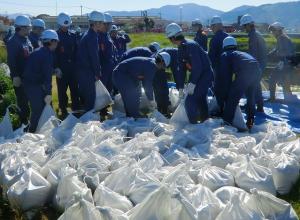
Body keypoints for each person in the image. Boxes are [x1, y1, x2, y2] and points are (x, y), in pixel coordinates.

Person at [166, 23, 214, 124]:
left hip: (205, 75)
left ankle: (193, 124)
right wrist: (180, 86)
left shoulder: (190, 45)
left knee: (190, 100)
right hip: (198, 75)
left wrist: (192, 83)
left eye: (170, 38)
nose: (170, 41)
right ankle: (205, 121)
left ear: (173, 38)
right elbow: (181, 69)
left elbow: (198, 67)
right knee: (200, 98)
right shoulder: (181, 48)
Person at [215, 37, 261, 130]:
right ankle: (250, 122)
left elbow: (226, 76)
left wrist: (224, 93)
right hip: (257, 70)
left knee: (232, 98)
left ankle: (227, 123)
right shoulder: (240, 54)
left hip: (246, 72)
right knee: (250, 96)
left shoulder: (226, 54)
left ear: (224, 46)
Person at [112, 52, 171, 118]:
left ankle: (131, 116)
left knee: (137, 93)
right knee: (131, 95)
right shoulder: (152, 67)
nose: (163, 68)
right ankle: (134, 116)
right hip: (121, 74)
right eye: (164, 66)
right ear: (162, 63)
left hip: (128, 75)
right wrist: (151, 100)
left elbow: (143, 80)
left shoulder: (152, 63)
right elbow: (147, 85)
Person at [23, 30, 58, 133]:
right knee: (37, 109)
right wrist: (48, 93)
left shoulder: (41, 51)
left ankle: (44, 128)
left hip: (35, 82)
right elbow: (47, 76)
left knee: (45, 107)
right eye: (56, 41)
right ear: (51, 41)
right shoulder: (46, 54)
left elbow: (43, 70)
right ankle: (32, 131)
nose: (57, 44)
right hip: (32, 84)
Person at [7, 15, 33, 125]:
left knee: (29, 99)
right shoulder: (13, 41)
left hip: (28, 76)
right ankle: (24, 123)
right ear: (22, 28)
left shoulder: (25, 39)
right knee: (23, 102)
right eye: (28, 28)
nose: (30, 30)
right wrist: (15, 75)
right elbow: (11, 60)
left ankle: (28, 120)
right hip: (20, 76)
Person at [76, 11, 104, 112]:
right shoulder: (92, 36)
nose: (102, 24)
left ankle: (88, 118)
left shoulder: (88, 34)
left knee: (88, 97)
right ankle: (88, 123)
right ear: (96, 23)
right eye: (101, 22)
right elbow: (94, 56)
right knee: (90, 98)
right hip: (87, 71)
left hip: (83, 70)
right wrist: (97, 72)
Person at [54, 12, 80, 118]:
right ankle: (63, 109)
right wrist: (56, 67)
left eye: (67, 26)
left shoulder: (73, 35)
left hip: (72, 68)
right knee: (62, 90)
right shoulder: (55, 36)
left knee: (74, 89)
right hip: (61, 68)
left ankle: (75, 108)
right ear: (60, 25)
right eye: (64, 26)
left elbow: (77, 52)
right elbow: (54, 53)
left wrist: (78, 65)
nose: (66, 28)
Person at [240, 14, 267, 112]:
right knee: (256, 85)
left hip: (257, 64)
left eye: (244, 26)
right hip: (261, 63)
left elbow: (253, 54)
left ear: (248, 25)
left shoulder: (253, 36)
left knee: (251, 86)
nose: (244, 28)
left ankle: (251, 106)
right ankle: (260, 107)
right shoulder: (256, 34)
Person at [268, 22, 295, 102]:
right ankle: (289, 99)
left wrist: (276, 55)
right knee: (284, 82)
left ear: (278, 30)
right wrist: (270, 54)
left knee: (272, 79)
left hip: (285, 63)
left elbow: (285, 52)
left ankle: (272, 98)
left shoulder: (281, 38)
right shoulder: (283, 37)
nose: (272, 33)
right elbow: (277, 49)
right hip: (287, 63)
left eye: (273, 31)